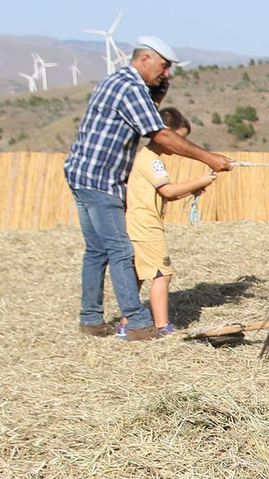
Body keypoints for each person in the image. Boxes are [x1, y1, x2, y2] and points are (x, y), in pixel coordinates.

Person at [63, 36, 232, 340]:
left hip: (80, 174)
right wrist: (209, 158)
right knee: (120, 250)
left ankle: (91, 318)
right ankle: (138, 322)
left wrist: (161, 89)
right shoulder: (131, 88)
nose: (166, 74)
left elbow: (151, 114)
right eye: (164, 67)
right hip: (102, 180)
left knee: (96, 251)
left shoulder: (115, 81)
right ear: (145, 60)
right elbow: (161, 135)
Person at [126, 108, 216, 336]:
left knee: (137, 273)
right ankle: (162, 326)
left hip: (136, 222)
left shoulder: (143, 157)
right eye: (179, 139)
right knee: (161, 273)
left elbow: (169, 194)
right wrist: (200, 179)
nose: (180, 146)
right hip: (147, 225)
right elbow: (167, 190)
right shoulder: (153, 161)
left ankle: (127, 321)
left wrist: (194, 188)